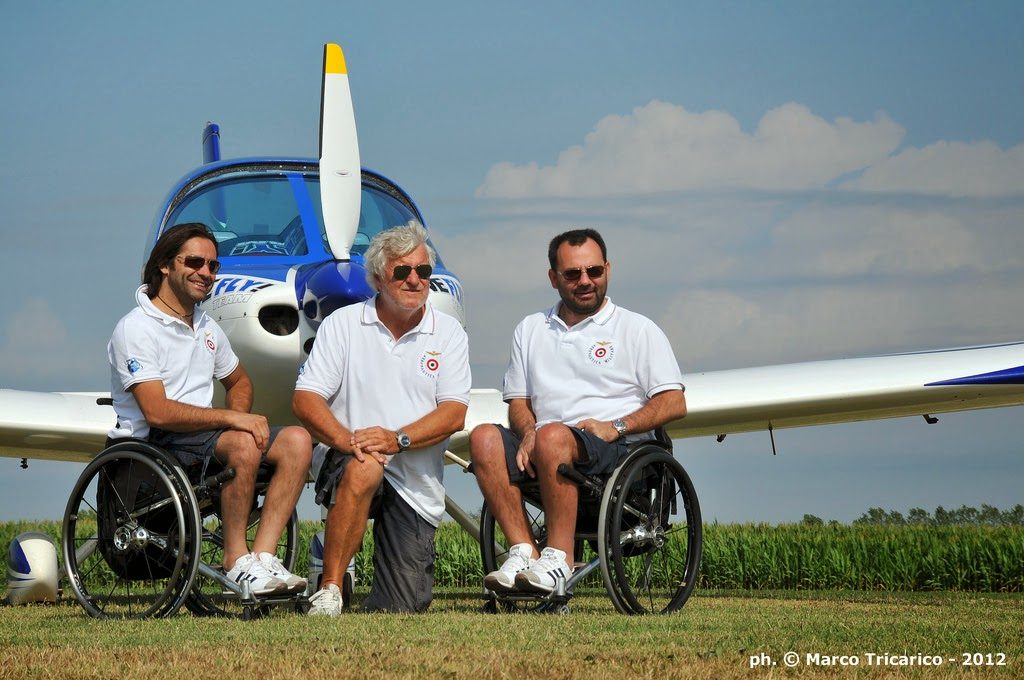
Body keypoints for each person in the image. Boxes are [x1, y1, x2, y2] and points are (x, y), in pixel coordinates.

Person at [469, 227, 686, 594]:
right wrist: (528, 434)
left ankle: (559, 560)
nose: (585, 281)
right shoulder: (530, 328)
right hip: (547, 446)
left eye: (594, 271)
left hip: (615, 450)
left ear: (608, 270)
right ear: (554, 278)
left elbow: (674, 402)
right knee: (484, 437)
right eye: (572, 274)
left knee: (554, 435)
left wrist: (616, 426)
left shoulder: (637, 329)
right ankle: (524, 550)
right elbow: (518, 402)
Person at [107, 222, 312, 595]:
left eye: (213, 266)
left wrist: (236, 419)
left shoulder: (206, 326)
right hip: (152, 447)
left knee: (298, 440)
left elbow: (240, 381)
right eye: (196, 262)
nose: (206, 272)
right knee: (242, 444)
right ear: (165, 266)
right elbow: (157, 412)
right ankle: (236, 561)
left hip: (200, 441)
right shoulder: (135, 329)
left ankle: (262, 560)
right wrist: (234, 420)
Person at [294, 221, 471, 615]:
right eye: (402, 272)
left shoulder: (449, 334)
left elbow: (454, 414)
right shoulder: (342, 324)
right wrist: (348, 441)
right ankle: (331, 589)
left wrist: (397, 439)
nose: (415, 280)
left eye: (423, 271)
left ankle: (375, 583)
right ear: (377, 278)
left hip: (415, 483)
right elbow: (305, 399)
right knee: (366, 467)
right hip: (349, 458)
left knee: (402, 607)